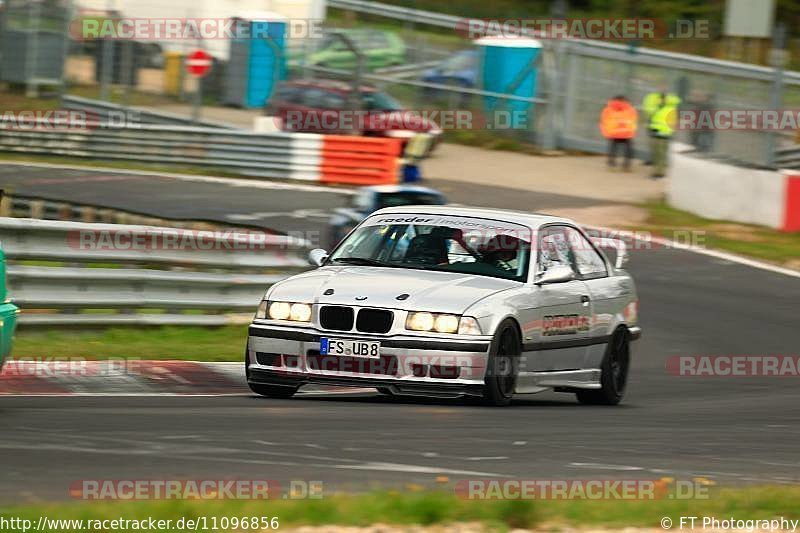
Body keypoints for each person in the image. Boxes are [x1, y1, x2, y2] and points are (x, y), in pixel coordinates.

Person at [647, 92, 681, 179]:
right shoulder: (658, 107)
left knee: (661, 154)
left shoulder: (670, 108)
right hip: (656, 132)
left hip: (664, 134)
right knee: (657, 153)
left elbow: (672, 122)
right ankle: (657, 171)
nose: (661, 100)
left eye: (662, 99)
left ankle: (660, 173)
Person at [599, 95, 638, 171]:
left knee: (612, 149)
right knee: (628, 150)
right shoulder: (630, 109)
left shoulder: (608, 109)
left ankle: (611, 164)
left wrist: (606, 133)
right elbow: (634, 121)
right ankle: (626, 165)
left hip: (613, 133)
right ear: (625, 100)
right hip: (627, 133)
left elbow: (603, 122)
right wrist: (632, 131)